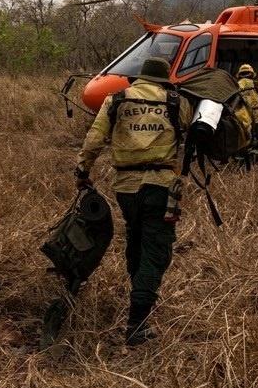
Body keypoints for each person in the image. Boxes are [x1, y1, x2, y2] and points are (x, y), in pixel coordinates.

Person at [75, 57, 192, 346]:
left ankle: (138, 292)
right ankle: (137, 323)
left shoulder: (116, 99)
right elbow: (193, 133)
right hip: (161, 186)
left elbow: (94, 139)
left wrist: (82, 170)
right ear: (164, 79)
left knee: (136, 239)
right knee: (157, 250)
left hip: (125, 187)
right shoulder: (177, 102)